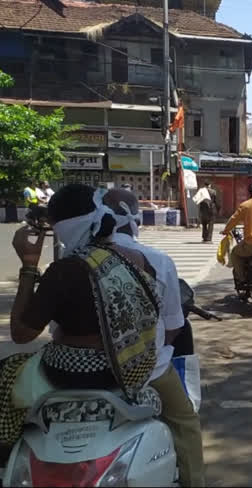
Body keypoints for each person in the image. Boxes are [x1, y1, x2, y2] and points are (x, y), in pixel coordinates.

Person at [1, 185, 159, 461]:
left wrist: (28, 264)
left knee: (9, 369)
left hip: (81, 371)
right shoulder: (133, 258)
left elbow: (21, 333)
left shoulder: (67, 270)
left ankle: (6, 455)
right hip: (137, 366)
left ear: (62, 227)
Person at [103, 189, 205, 486]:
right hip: (148, 370)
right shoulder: (156, 260)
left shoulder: (75, 259)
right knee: (185, 423)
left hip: (77, 371)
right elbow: (174, 324)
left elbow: (48, 330)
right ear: (135, 218)